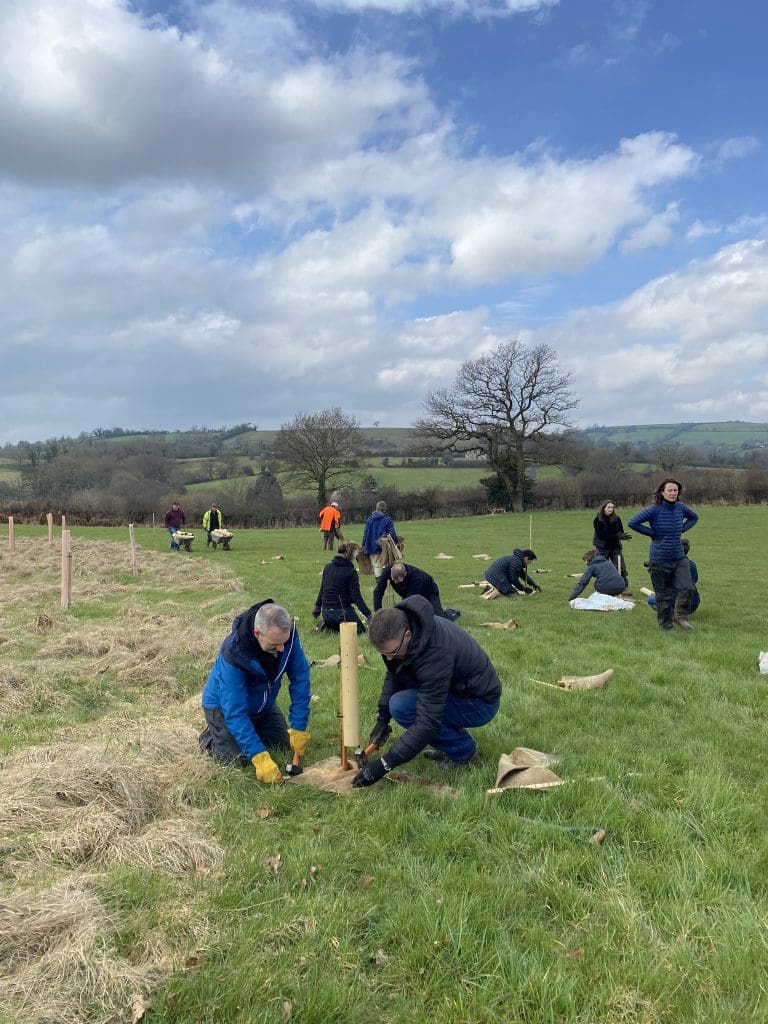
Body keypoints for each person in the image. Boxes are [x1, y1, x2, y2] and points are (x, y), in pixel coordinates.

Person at [351, 596, 502, 787]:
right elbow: (395, 674)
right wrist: (382, 719)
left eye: (393, 653)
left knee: (402, 707)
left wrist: (384, 765)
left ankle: (465, 753)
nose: (389, 659)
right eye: (384, 654)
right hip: (456, 690)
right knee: (398, 703)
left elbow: (427, 722)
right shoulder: (408, 630)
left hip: (479, 702)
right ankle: (452, 744)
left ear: (407, 634)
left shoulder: (435, 653)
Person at [199, 600, 311, 783]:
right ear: (257, 633)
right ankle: (212, 736)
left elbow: (300, 677)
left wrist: (299, 725)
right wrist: (259, 757)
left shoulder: (286, 636)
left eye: (284, 642)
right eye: (275, 645)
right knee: (237, 761)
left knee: (281, 744)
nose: (281, 649)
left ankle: (251, 732)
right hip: (223, 707)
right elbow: (234, 712)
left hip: (262, 704)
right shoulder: (234, 653)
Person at [628, 478, 698, 631]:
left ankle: (680, 617)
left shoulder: (681, 507)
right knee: (663, 594)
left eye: (675, 490)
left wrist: (682, 529)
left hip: (679, 557)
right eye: (670, 490)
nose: (673, 493)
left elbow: (694, 517)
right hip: (659, 558)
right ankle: (666, 626)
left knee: (687, 587)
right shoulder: (654, 509)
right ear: (662, 492)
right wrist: (651, 533)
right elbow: (632, 522)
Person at [312, 541, 372, 634]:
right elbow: (356, 596)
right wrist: (368, 615)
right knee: (361, 632)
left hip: (326, 614)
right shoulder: (351, 572)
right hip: (343, 613)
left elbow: (323, 589)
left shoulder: (328, 567)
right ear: (351, 554)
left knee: (338, 630)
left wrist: (317, 607)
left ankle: (329, 626)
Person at [373, 562, 460, 621]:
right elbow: (378, 591)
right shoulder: (388, 571)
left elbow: (411, 600)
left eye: (398, 581)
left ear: (405, 574)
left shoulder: (416, 578)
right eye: (393, 580)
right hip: (407, 593)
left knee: (438, 618)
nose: (395, 583)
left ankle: (452, 613)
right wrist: (378, 613)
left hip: (429, 591)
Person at [647, 538, 700, 615]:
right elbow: (694, 580)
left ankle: (671, 613)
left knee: (651, 599)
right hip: (694, 603)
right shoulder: (692, 564)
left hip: (678, 602)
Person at [592, 500, 631, 584]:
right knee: (602, 567)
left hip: (615, 546)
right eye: (608, 507)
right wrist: (617, 536)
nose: (611, 509)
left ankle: (623, 586)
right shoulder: (597, 520)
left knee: (620, 566)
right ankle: (602, 586)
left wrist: (622, 536)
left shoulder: (617, 519)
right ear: (603, 508)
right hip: (602, 547)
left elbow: (620, 531)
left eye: (612, 508)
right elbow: (602, 535)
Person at [362, 500, 399, 578]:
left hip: (371, 545)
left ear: (376, 508)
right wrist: (396, 542)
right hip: (385, 545)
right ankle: (387, 579)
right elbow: (392, 533)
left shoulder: (369, 519)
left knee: (376, 564)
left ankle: (378, 579)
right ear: (384, 509)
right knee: (387, 563)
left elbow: (365, 533)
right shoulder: (387, 519)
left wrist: (363, 544)